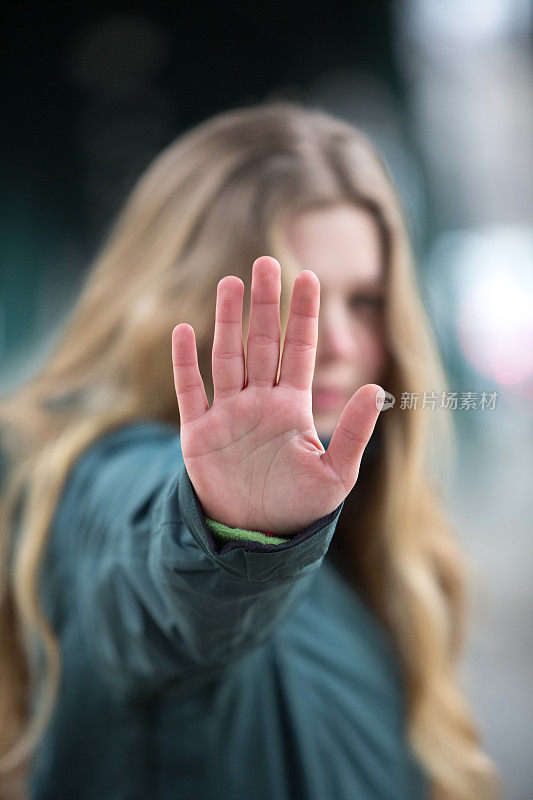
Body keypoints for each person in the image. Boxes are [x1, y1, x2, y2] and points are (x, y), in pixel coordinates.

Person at [0, 101, 500, 800]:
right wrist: (232, 535)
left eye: (364, 300)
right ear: (182, 298)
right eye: (295, 299)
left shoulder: (364, 532)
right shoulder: (98, 481)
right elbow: (146, 572)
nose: (337, 343)